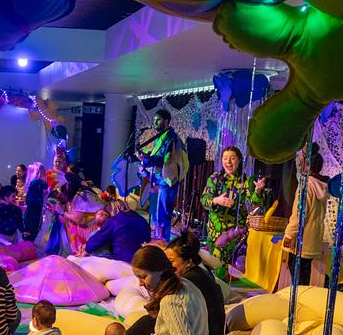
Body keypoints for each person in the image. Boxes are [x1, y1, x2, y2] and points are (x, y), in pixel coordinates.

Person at [200, 146, 266, 269]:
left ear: (239, 160)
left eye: (232, 158)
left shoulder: (246, 181)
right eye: (225, 158)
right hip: (214, 230)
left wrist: (257, 191)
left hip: (233, 232)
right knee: (211, 265)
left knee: (221, 266)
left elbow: (254, 205)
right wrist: (216, 200)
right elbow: (204, 200)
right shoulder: (215, 178)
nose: (228, 162)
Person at [282, 144, 330, 287]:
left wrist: (289, 234)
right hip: (312, 236)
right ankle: (301, 295)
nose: (298, 164)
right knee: (304, 270)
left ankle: (298, 298)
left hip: (301, 238)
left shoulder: (306, 186)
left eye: (300, 161)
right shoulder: (320, 185)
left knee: (297, 270)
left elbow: (299, 215)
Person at [138, 110, 189, 241]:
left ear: (166, 121)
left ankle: (163, 243)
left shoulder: (170, 138)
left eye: (158, 120)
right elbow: (157, 155)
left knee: (163, 213)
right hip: (157, 179)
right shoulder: (160, 137)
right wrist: (146, 155)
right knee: (155, 212)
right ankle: (157, 240)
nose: (155, 122)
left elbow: (163, 159)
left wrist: (145, 159)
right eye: (154, 119)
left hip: (166, 181)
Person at [165, 234, 227, 335]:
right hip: (213, 333)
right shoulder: (202, 272)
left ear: (188, 262)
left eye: (171, 261)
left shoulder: (187, 282)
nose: (167, 266)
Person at [82, 201, 151, 263]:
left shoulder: (114, 220)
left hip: (121, 259)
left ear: (112, 210)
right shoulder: (142, 219)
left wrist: (86, 251)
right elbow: (148, 238)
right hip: (139, 258)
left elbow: (98, 238)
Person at [21, 162, 47, 242]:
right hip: (35, 207)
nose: (45, 171)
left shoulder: (31, 182)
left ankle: (27, 240)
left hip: (31, 207)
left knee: (29, 223)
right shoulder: (38, 181)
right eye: (43, 170)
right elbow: (46, 187)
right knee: (34, 224)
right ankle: (30, 240)